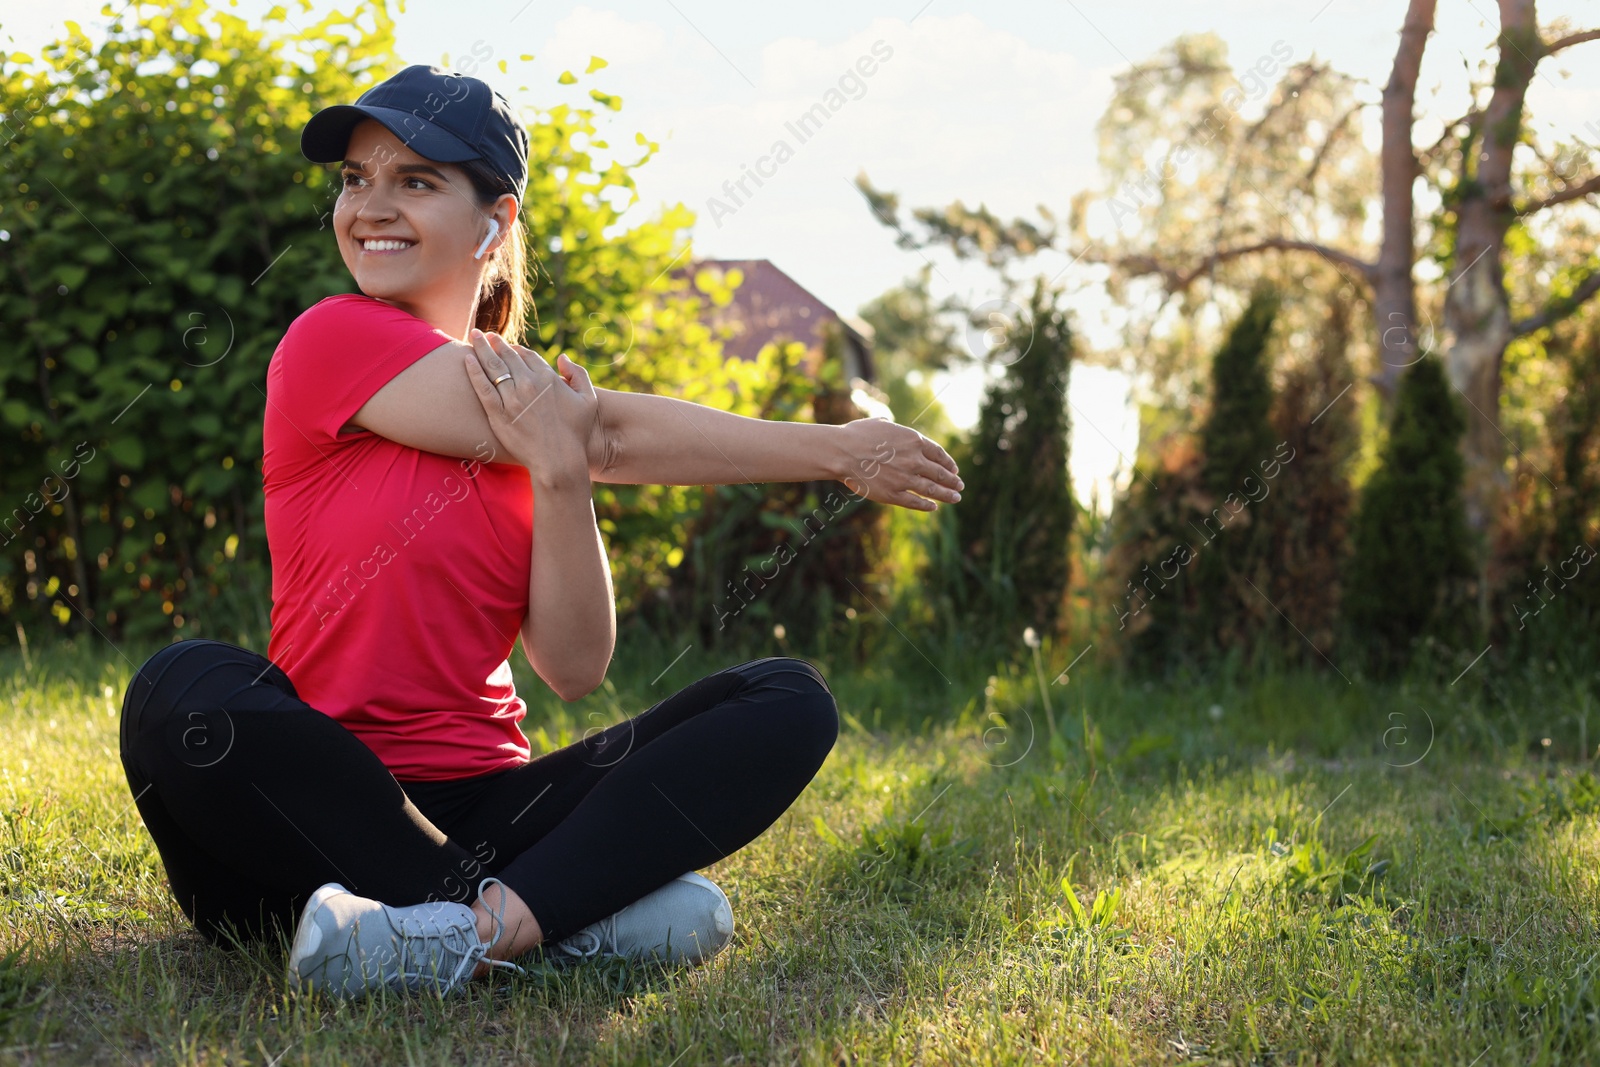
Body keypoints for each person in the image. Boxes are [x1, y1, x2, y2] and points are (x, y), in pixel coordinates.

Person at [117, 64, 965, 1000]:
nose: (370, 206)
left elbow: (573, 667)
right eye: (356, 179)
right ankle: (537, 923)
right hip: (305, 811)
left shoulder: (543, 434)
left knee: (788, 700)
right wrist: (836, 449)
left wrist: (561, 477)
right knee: (179, 688)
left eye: (417, 180)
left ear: (497, 219)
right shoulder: (331, 338)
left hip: (486, 808)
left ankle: (444, 934)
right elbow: (604, 430)